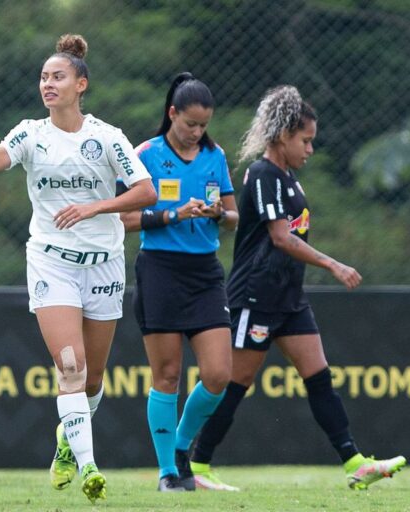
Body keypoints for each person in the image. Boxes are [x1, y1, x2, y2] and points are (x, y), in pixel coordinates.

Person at [0, 34, 157, 504]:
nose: (48, 84)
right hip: (52, 263)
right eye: (43, 78)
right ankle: (90, 466)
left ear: (81, 84)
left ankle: (66, 443)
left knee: (92, 378)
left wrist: (97, 207)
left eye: (58, 77)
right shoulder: (31, 133)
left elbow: (147, 192)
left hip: (105, 265)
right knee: (68, 367)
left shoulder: (107, 137)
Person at [189, 85, 407, 490]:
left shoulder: (291, 179)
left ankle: (354, 463)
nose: (309, 149)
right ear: (281, 136)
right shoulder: (263, 174)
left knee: (319, 376)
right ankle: (196, 466)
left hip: (288, 298)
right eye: (305, 141)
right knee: (234, 384)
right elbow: (280, 237)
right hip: (257, 295)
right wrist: (333, 263)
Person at [119, 72, 237, 492]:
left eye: (203, 125)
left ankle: (183, 447)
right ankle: (168, 472)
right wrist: (172, 214)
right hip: (160, 270)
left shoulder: (215, 155)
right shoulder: (145, 154)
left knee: (219, 373)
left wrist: (216, 215)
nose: (196, 132)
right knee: (167, 374)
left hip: (205, 273)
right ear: (172, 114)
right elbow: (124, 218)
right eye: (190, 124)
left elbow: (234, 214)